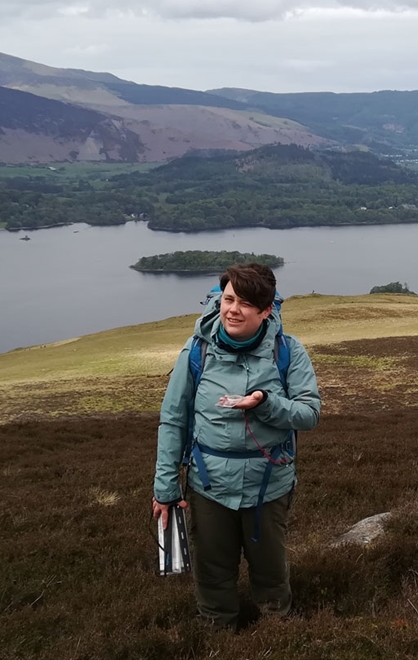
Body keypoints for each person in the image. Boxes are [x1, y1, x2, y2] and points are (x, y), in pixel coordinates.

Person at [152, 263, 321, 628]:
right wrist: (164, 488)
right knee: (212, 568)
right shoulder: (196, 350)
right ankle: (217, 630)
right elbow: (173, 419)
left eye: (245, 304)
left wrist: (265, 403)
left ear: (265, 311)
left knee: (271, 569)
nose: (233, 310)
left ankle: (276, 631)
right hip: (208, 484)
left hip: (268, 485)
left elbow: (309, 414)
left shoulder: (287, 350)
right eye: (229, 299)